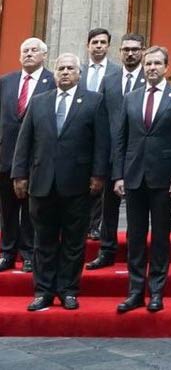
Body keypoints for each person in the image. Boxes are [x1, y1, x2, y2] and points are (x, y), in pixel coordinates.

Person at [12, 53, 109, 311]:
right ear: (54, 73)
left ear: (79, 73)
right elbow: (25, 142)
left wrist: (99, 175)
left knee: (73, 242)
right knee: (43, 241)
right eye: (60, 68)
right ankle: (43, 291)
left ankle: (67, 290)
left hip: (78, 185)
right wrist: (19, 174)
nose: (65, 72)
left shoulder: (94, 101)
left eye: (70, 68)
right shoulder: (39, 102)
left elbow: (101, 143)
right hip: (42, 184)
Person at [114, 46, 171, 313]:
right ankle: (135, 291)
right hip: (134, 176)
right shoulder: (131, 98)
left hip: (164, 177)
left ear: (166, 67)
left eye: (157, 63)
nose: (151, 68)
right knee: (135, 237)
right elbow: (121, 139)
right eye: (148, 64)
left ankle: (157, 291)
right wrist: (118, 175)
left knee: (160, 237)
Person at [87, 33, 146, 270]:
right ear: (119, 52)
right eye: (125, 49)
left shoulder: (149, 77)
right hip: (112, 154)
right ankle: (106, 250)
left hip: (140, 156)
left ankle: (136, 252)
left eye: (135, 49)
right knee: (108, 207)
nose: (130, 53)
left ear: (143, 50)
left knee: (137, 209)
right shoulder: (109, 79)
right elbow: (101, 119)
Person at [0, 37, 54, 272]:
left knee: (34, 210)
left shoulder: (52, 81)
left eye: (34, 50)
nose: (29, 54)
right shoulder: (6, 81)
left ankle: (29, 253)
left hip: (37, 157)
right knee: (8, 208)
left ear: (44, 55)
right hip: (6, 155)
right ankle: (7, 251)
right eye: (25, 50)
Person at [80, 28, 120, 241]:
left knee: (100, 179)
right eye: (95, 42)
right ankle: (80, 222)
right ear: (88, 45)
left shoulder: (117, 72)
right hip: (81, 132)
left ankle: (95, 225)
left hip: (106, 131)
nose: (98, 46)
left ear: (108, 46)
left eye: (103, 42)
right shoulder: (78, 70)